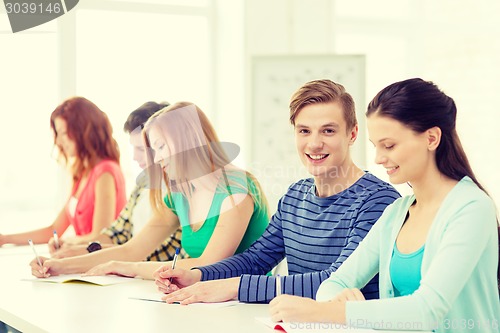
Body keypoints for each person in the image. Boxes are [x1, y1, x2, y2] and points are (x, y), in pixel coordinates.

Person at [269, 78, 500, 333]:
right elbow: (333, 284)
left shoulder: (472, 209)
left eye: (389, 145)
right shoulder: (397, 213)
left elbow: (427, 310)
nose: (378, 159)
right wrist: (338, 299)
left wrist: (328, 311)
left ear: (432, 138)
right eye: (375, 146)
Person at [155, 79, 400, 305]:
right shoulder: (295, 196)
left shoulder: (379, 202)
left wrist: (235, 287)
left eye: (328, 131)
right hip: (298, 324)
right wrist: (196, 275)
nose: (314, 143)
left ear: (352, 133)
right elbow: (255, 260)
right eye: (304, 131)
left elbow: (335, 281)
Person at [30, 102, 269, 278]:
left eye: (161, 146)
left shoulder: (237, 190)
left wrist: (128, 268)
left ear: (187, 139)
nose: (157, 158)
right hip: (203, 301)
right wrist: (57, 266)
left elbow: (208, 264)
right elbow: (131, 250)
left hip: (245, 307)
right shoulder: (179, 196)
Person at [51, 101, 187, 262]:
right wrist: (81, 250)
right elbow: (117, 233)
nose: (135, 158)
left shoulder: (182, 190)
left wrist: (84, 256)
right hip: (135, 276)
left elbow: (158, 254)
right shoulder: (143, 182)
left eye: (141, 149)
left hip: (149, 278)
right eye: (134, 149)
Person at [0, 97, 127, 247]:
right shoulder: (82, 174)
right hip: (84, 261)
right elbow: (54, 230)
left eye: (64, 133)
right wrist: (5, 239)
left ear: (83, 130)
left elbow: (100, 238)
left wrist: (65, 242)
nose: (59, 141)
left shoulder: (105, 172)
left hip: (99, 264)